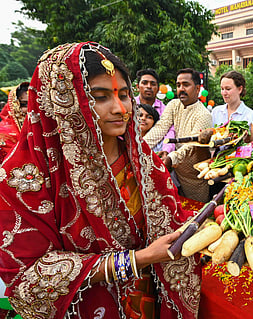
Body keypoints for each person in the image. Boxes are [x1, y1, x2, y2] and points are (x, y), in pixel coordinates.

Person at [0, 42, 201, 319]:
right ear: (65, 101)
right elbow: (28, 278)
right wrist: (138, 259)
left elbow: (170, 220)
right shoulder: (24, 181)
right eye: (101, 96)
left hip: (151, 301)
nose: (120, 108)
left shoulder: (144, 162)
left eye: (124, 94)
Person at [144, 68, 212, 202]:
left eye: (186, 85)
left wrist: (171, 158)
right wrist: (139, 146)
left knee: (198, 215)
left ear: (198, 89)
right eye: (178, 85)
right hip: (176, 175)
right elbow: (160, 128)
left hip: (196, 178)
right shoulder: (174, 104)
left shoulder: (204, 115)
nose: (181, 89)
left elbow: (191, 146)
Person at [135, 68, 175, 153]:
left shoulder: (165, 110)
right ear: (138, 87)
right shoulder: (129, 106)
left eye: (153, 84)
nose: (149, 86)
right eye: (144, 83)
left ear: (157, 89)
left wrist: (166, 151)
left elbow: (170, 132)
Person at [0, 82, 29, 161]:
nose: (30, 109)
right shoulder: (3, 134)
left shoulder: (46, 130)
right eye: (24, 104)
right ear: (13, 105)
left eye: (33, 104)